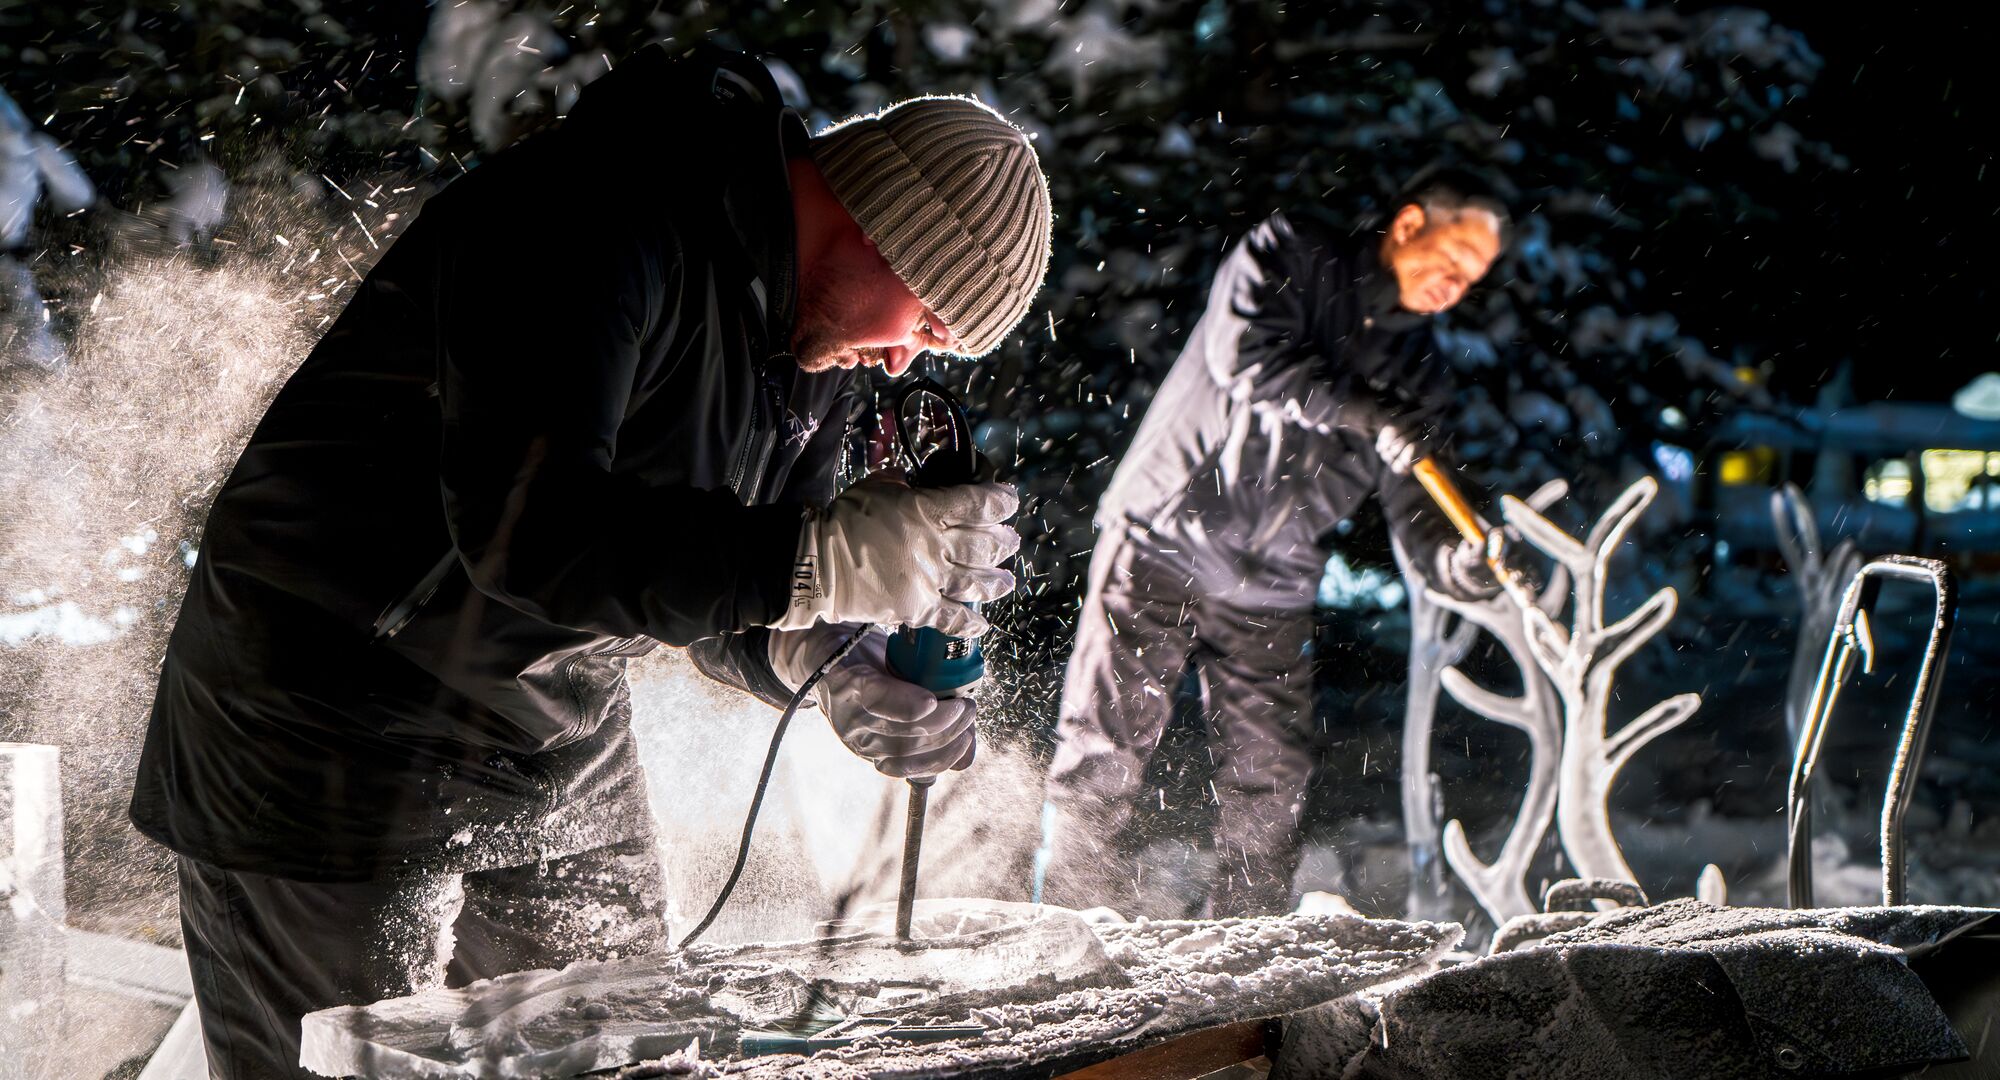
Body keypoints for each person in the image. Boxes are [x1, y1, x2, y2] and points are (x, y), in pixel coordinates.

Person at [130, 42, 1051, 1078]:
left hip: (557, 730)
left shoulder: (806, 340)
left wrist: (824, 658)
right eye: (923, 321)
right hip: (329, 714)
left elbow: (740, 572)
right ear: (884, 227)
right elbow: (536, 533)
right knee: (354, 1068)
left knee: (627, 1061)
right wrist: (818, 562)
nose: (903, 361)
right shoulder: (596, 216)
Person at [1038, 168, 1509, 918]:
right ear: (1410, 224)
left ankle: (1244, 945)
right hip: (1166, 534)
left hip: (1274, 581)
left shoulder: (1417, 370)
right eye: (1451, 261)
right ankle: (1063, 925)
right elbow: (1249, 359)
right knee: (1106, 749)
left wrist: (1461, 559)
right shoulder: (1291, 254)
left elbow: (1419, 500)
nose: (1454, 285)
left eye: (1471, 279)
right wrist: (1367, 413)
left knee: (1271, 781)